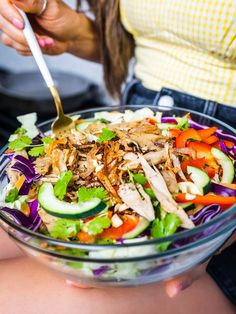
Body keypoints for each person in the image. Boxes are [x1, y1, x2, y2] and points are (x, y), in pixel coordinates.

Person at [0, 0, 235, 311]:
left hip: (218, 218)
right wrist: (77, 35)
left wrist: (220, 231)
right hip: (137, 124)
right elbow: (149, 40)